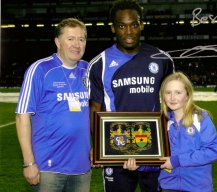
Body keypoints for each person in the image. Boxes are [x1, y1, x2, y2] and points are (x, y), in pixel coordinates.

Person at [86, 0, 174, 191]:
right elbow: (95, 108)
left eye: (134, 25)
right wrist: (97, 145)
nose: (129, 31)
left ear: (141, 25)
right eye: (121, 26)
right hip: (116, 150)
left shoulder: (162, 59)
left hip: (155, 152)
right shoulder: (99, 64)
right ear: (113, 28)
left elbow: (173, 105)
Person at [15, 18, 91, 192]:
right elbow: (22, 116)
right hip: (47, 167)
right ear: (58, 42)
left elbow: (98, 112)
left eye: (81, 39)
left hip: (81, 168)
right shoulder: (40, 69)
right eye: (70, 39)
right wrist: (29, 163)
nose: (76, 44)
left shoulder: (89, 71)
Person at [158, 72, 217, 192]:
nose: (172, 98)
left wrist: (177, 160)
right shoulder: (160, 122)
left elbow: (213, 151)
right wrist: (140, 164)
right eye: (168, 92)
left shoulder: (200, 118)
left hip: (198, 188)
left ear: (187, 95)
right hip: (168, 187)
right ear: (163, 95)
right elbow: (157, 157)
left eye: (178, 92)